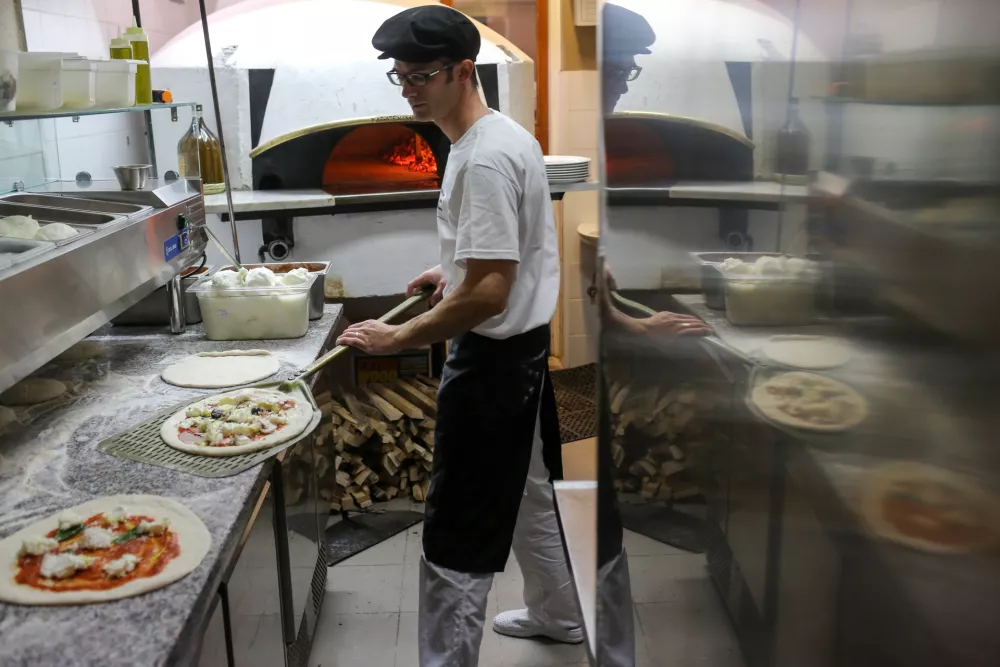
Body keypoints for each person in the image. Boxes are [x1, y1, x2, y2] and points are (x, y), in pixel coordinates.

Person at [337, 5, 583, 665]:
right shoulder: (494, 136)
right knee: (530, 490)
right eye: (401, 76)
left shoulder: (486, 159)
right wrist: (450, 268)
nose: (410, 87)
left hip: (495, 362)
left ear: (464, 70)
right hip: (525, 353)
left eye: (422, 75)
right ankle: (560, 613)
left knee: (459, 526)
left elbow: (490, 292)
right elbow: (501, 258)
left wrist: (399, 338)